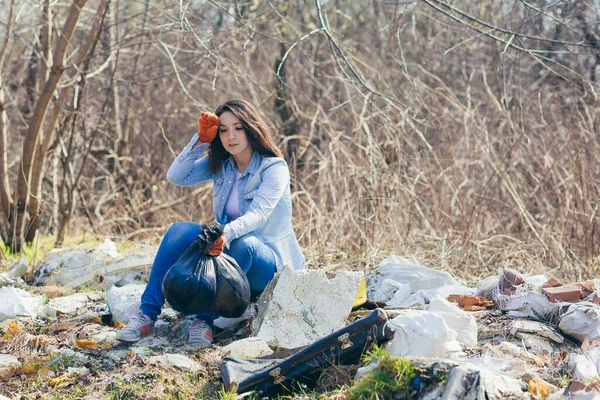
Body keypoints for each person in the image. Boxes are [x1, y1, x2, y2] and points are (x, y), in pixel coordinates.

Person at [116, 99, 305, 345]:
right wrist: (200, 141)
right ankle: (146, 314)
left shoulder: (273, 167)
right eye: (223, 130)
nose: (231, 136)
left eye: (238, 128)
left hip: (267, 264)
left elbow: (258, 214)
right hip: (226, 253)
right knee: (180, 231)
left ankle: (204, 320)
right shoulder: (222, 165)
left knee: (243, 243)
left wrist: (225, 232)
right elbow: (176, 176)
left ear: (251, 128)